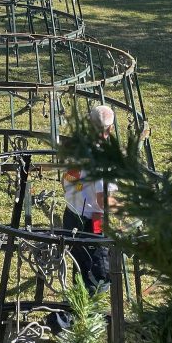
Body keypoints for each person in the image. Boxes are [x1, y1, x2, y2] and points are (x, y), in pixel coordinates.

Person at [61, 105, 119, 294]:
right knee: (98, 275)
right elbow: (104, 201)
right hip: (91, 222)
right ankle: (88, 313)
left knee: (79, 264)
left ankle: (78, 304)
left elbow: (66, 178)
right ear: (109, 129)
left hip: (71, 214)